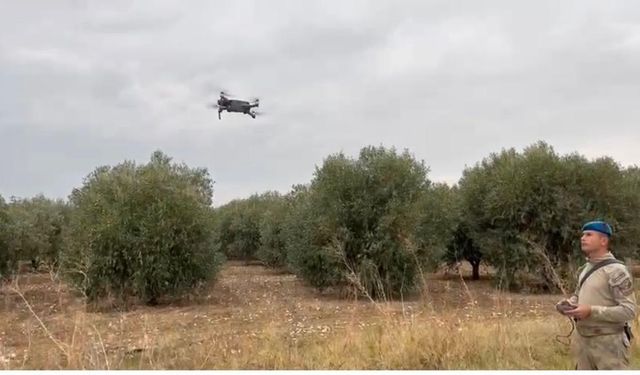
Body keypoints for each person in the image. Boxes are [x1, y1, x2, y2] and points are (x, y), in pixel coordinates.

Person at [555, 220, 637, 370]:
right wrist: (568, 305)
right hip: (584, 342)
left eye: (589, 235)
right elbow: (577, 296)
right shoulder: (585, 269)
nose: (583, 238)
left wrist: (591, 311)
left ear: (603, 241)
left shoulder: (616, 271)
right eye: (583, 235)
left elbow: (629, 310)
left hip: (609, 344)